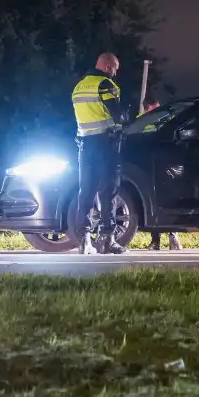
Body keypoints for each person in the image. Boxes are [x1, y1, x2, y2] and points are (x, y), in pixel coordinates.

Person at [71, 53, 130, 255]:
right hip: (106, 144)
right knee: (108, 190)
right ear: (107, 66)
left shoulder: (79, 87)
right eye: (115, 68)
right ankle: (107, 238)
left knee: (85, 190)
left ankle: (84, 239)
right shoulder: (104, 84)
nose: (115, 73)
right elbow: (117, 115)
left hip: (85, 144)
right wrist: (127, 115)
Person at [139, 95, 184, 251]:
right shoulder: (140, 123)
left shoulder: (166, 120)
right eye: (155, 109)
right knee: (154, 203)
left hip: (166, 165)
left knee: (170, 200)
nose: (159, 111)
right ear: (147, 109)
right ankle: (155, 241)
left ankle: (173, 237)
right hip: (150, 168)